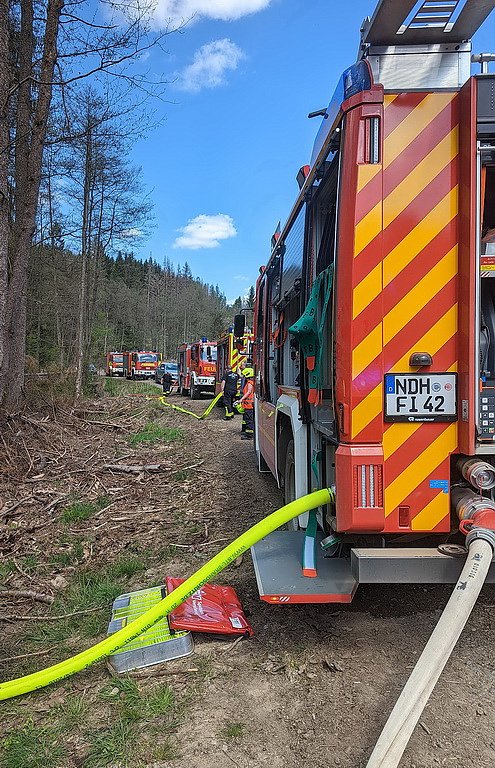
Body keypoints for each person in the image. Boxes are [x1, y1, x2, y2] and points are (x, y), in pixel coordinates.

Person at [236, 367, 254, 439]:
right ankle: (248, 434)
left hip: (249, 405)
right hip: (248, 405)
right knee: (248, 420)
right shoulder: (251, 382)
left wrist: (241, 399)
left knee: (249, 420)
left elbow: (248, 392)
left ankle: (249, 435)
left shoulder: (250, 383)